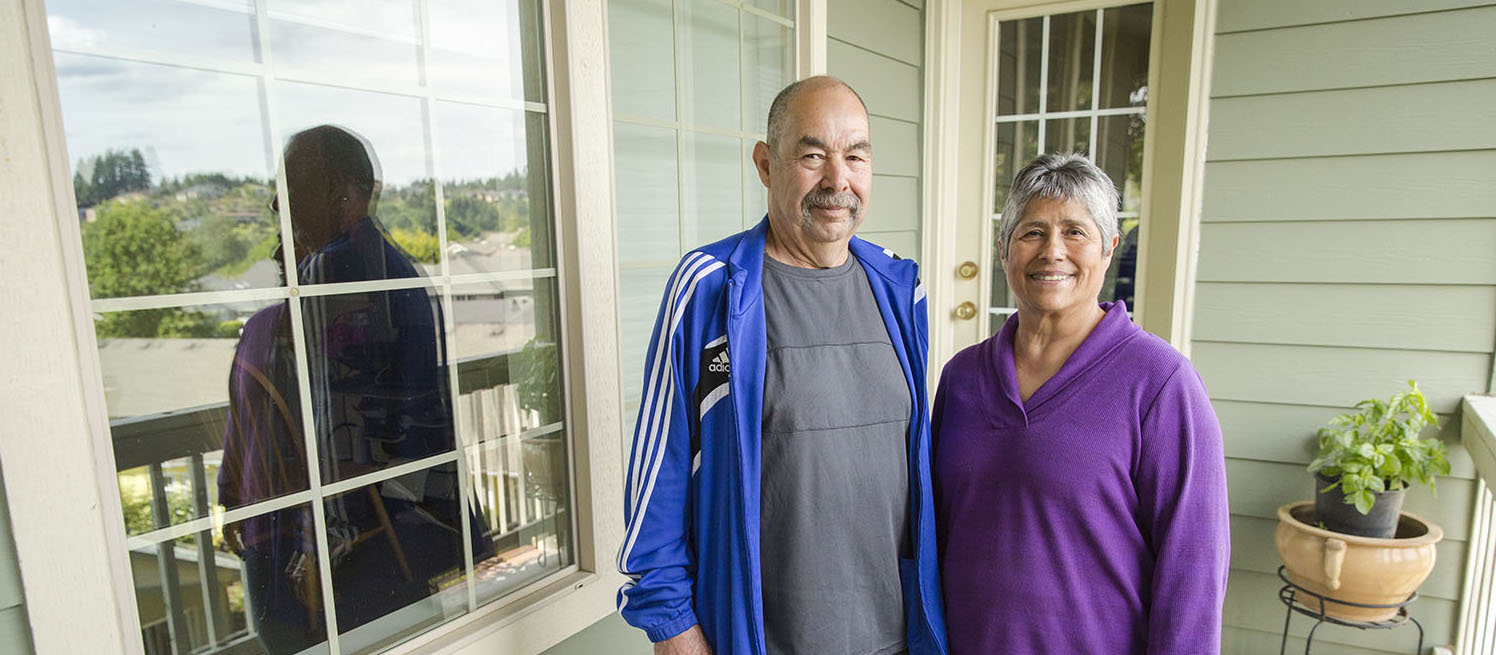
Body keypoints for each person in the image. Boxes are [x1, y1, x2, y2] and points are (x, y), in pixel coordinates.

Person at [617, 76, 948, 655]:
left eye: (855, 156)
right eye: (813, 154)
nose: (837, 180)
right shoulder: (710, 290)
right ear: (766, 164)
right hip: (759, 639)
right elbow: (659, 477)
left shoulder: (900, 289)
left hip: (895, 636)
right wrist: (674, 631)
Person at [931, 153, 1229, 654]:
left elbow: (1194, 574)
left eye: (1075, 232)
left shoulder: (1161, 384)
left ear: (1108, 250)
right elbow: (934, 534)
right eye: (1032, 233)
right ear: (1004, 250)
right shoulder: (961, 378)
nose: (1053, 252)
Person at [220, 125, 487, 653]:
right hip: (414, 516)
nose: (277, 203)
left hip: (365, 541)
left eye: (291, 184)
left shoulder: (328, 271)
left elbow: (337, 426)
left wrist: (322, 545)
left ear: (343, 194)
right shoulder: (400, 268)